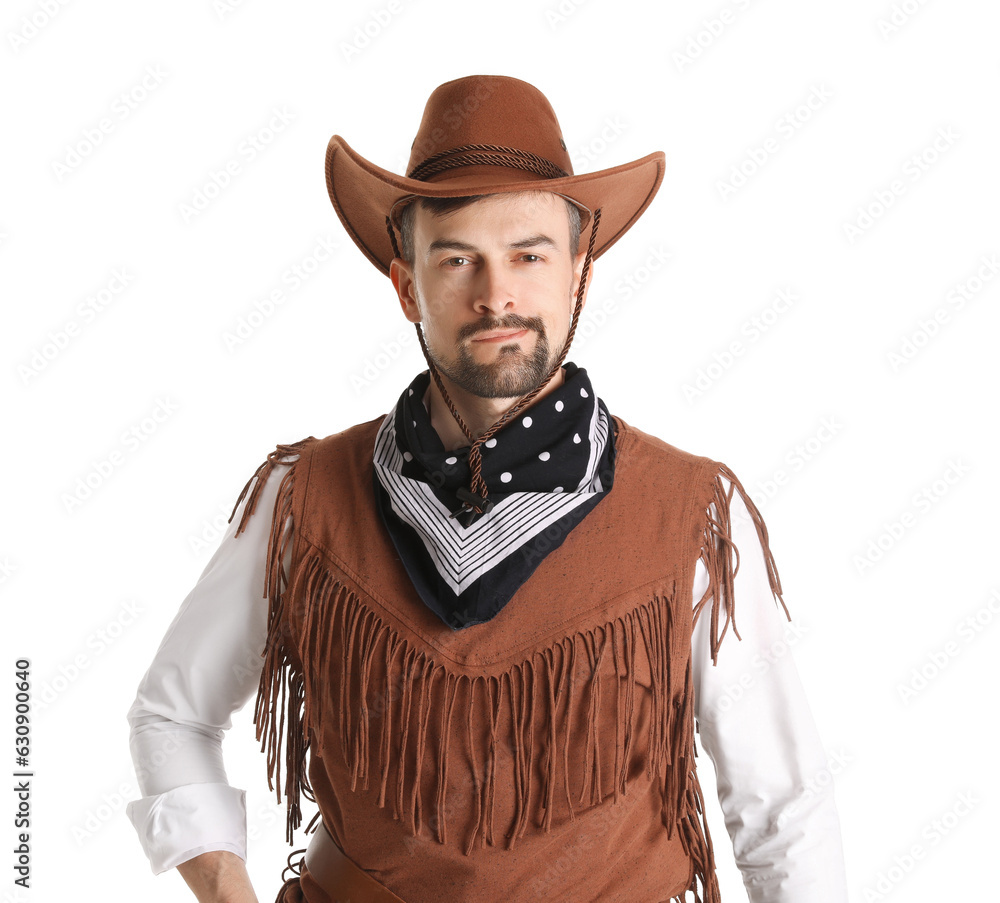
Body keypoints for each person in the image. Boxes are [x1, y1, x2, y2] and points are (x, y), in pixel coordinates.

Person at [126, 75, 848, 903]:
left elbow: (782, 809)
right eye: (458, 257)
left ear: (579, 273)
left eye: (529, 254)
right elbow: (172, 714)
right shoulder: (305, 497)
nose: (496, 293)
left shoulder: (691, 513)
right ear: (407, 288)